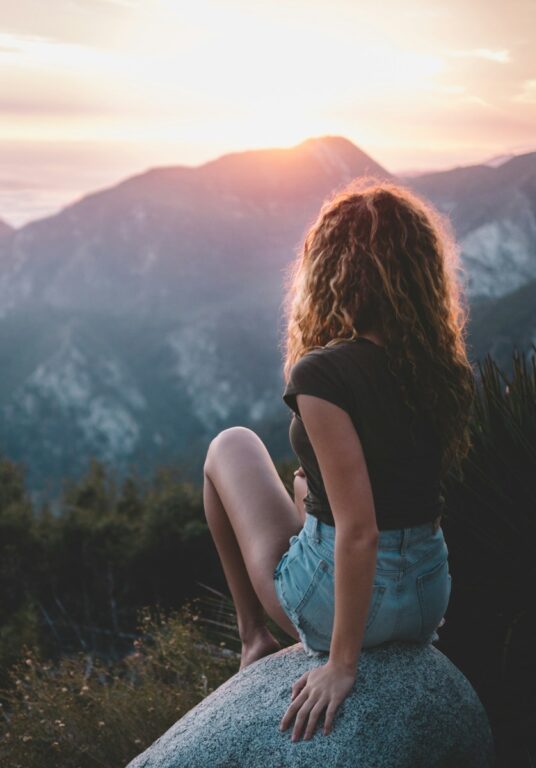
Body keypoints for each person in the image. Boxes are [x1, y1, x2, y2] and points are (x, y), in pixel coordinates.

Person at [202, 177, 476, 743]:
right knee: (306, 488)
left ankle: (254, 637)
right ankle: (284, 626)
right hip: (427, 597)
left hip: (343, 605)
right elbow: (409, 493)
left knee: (230, 446)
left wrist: (341, 665)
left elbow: (360, 532)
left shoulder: (321, 374)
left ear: (333, 272)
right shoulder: (440, 368)